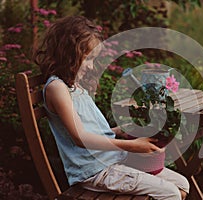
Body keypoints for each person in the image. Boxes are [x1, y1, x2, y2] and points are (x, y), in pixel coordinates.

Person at [33, 15, 189, 200]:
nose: (91, 66)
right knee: (169, 193)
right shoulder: (57, 88)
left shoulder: (74, 86)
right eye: (87, 59)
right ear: (69, 53)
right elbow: (80, 138)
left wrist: (122, 130)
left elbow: (93, 131)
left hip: (113, 160)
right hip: (96, 170)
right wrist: (131, 146)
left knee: (182, 186)